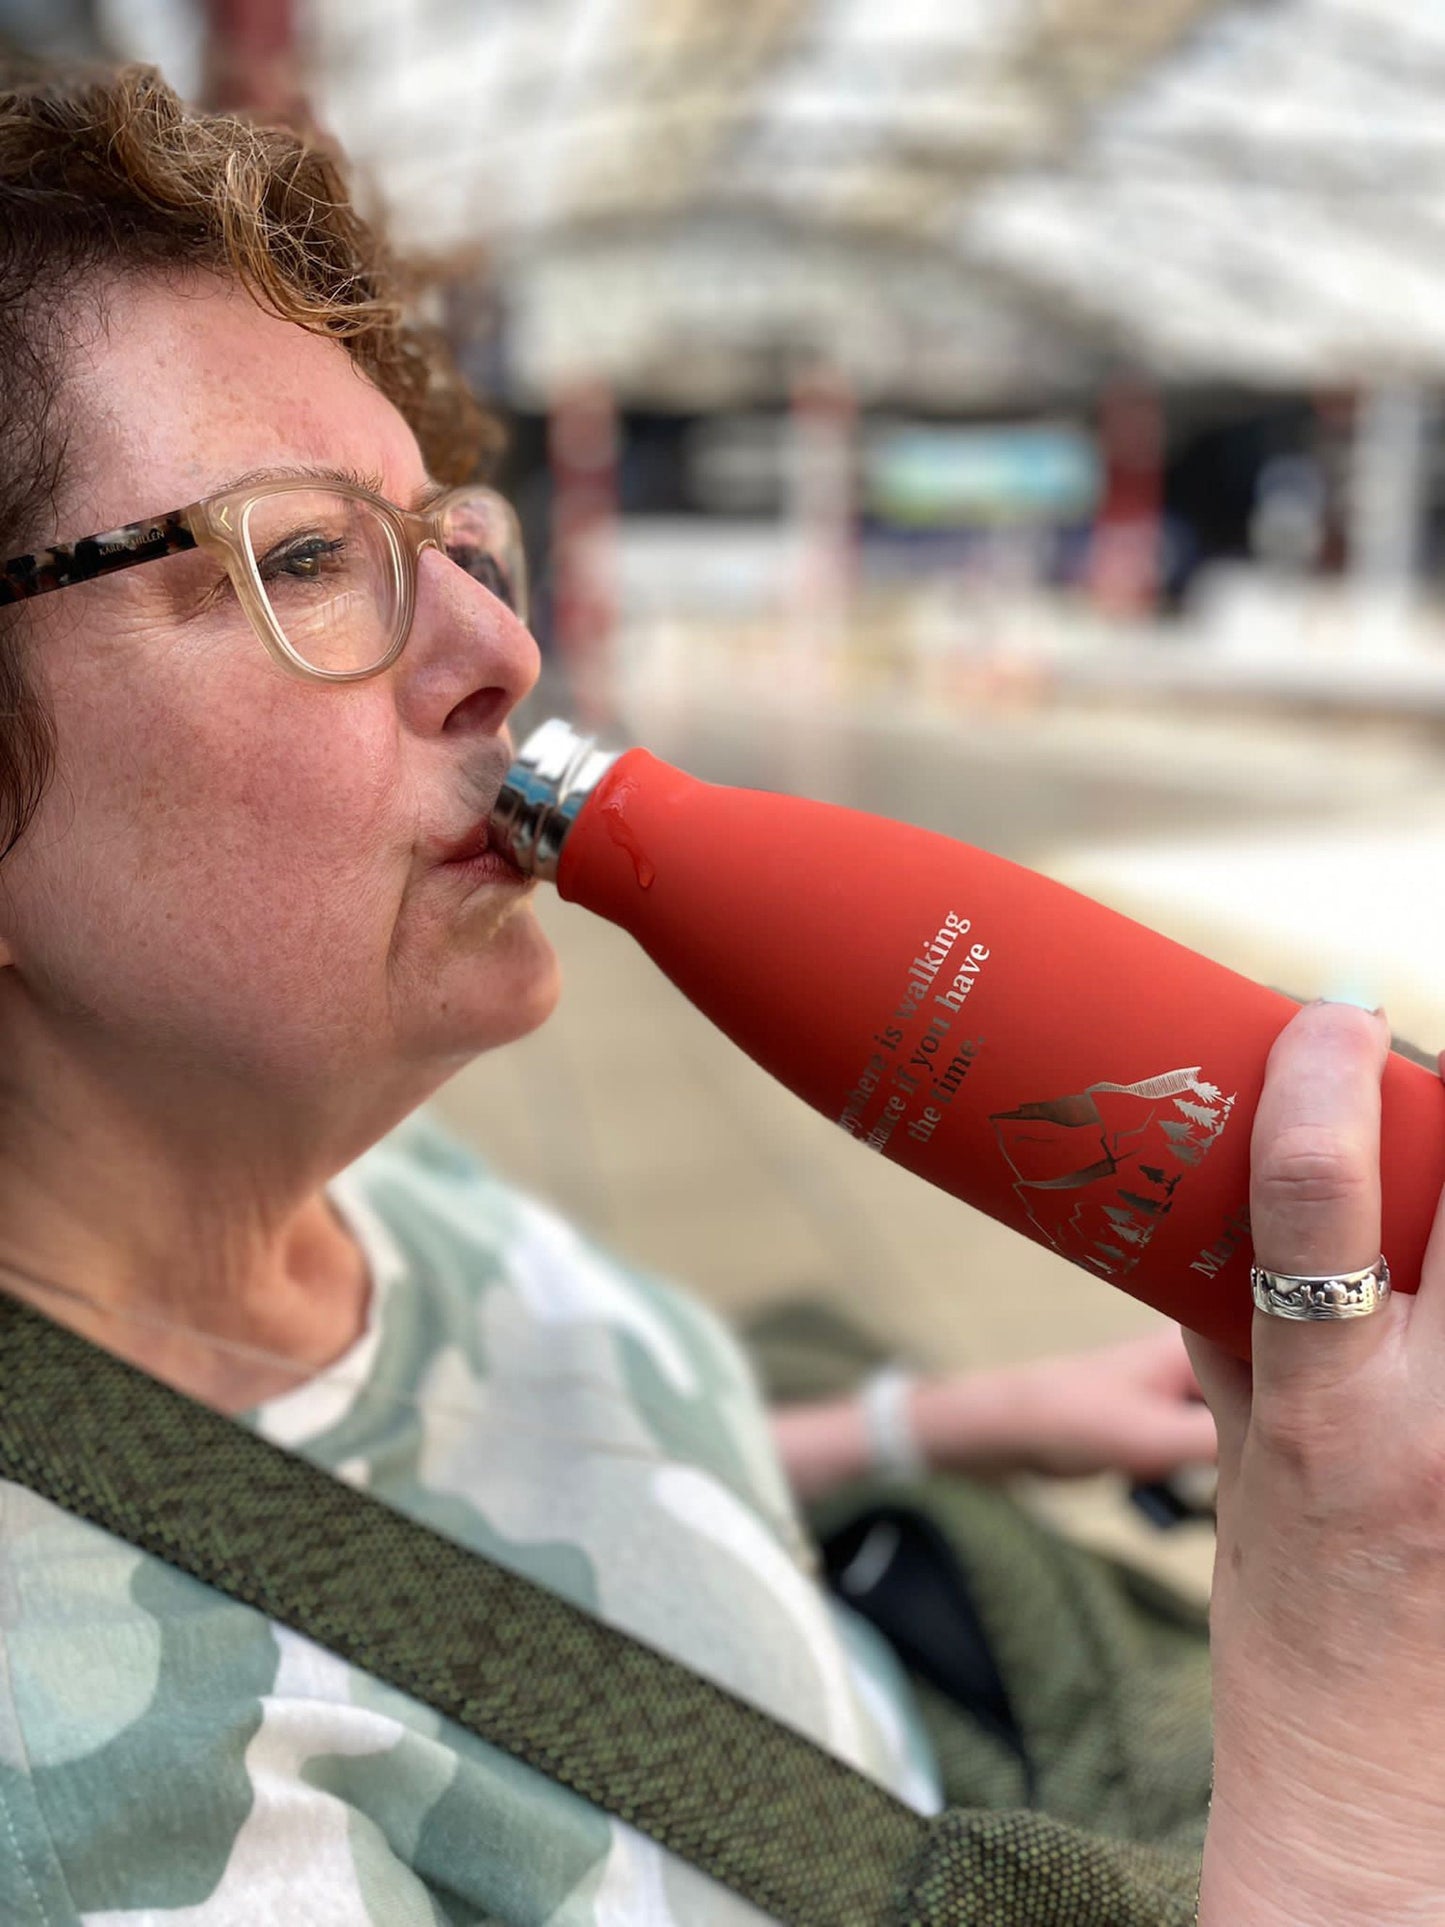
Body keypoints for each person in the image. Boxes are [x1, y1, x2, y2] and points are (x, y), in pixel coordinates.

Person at [0, 58, 1427, 1927]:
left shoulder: (331, 1173)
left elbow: (469, 1500)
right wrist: (1360, 1731)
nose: (500, 652)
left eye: (452, 546)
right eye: (296, 560)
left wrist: (920, 1433)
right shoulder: (100, 1787)